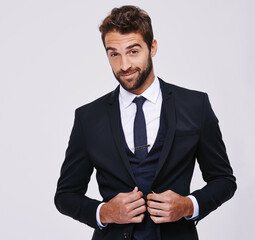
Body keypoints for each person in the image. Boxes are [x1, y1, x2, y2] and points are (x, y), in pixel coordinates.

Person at [55, 5, 236, 240]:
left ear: (152, 47)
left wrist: (189, 206)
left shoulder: (195, 105)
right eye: (114, 54)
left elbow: (223, 180)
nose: (124, 66)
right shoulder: (88, 117)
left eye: (133, 51)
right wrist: (104, 212)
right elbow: (65, 195)